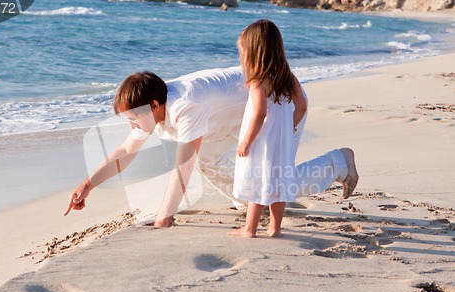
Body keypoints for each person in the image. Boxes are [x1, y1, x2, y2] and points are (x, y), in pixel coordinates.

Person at [64, 64, 358, 229]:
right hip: (236, 119)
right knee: (208, 158)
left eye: (133, 119)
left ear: (154, 106)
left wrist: (163, 218)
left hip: (278, 105)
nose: (132, 127)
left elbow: (182, 170)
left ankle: (339, 162)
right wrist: (87, 185)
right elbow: (125, 153)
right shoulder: (155, 107)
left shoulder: (184, 106)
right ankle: (246, 197)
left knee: (278, 183)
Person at [229, 19, 303, 238]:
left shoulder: (258, 81)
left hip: (262, 141)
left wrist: (246, 142)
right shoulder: (288, 78)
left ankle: (249, 229)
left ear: (254, 52)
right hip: (281, 143)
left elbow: (260, 113)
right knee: (278, 184)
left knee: (257, 182)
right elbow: (302, 106)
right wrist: (289, 129)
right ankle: (274, 228)